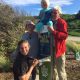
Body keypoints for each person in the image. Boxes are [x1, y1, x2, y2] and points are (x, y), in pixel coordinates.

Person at [48, 6, 68, 80]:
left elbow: (65, 36)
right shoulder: (49, 22)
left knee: (60, 70)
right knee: (52, 68)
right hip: (50, 49)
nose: (53, 14)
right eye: (52, 12)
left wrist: (53, 31)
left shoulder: (62, 22)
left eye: (55, 12)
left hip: (59, 50)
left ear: (59, 13)